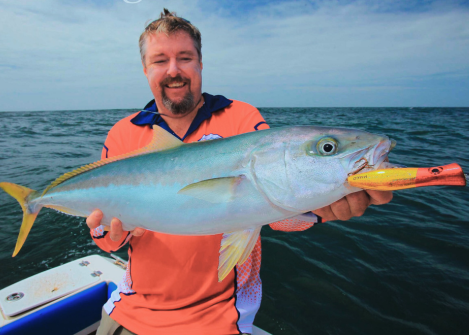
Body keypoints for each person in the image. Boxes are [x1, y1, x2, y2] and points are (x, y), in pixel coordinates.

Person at [87, 9, 392, 335]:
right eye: (160, 60)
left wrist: (320, 208)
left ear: (200, 64)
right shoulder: (123, 133)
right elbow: (106, 242)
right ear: (146, 69)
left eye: (185, 57)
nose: (174, 70)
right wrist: (108, 234)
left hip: (220, 319)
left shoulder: (241, 118)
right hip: (131, 310)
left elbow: (276, 209)